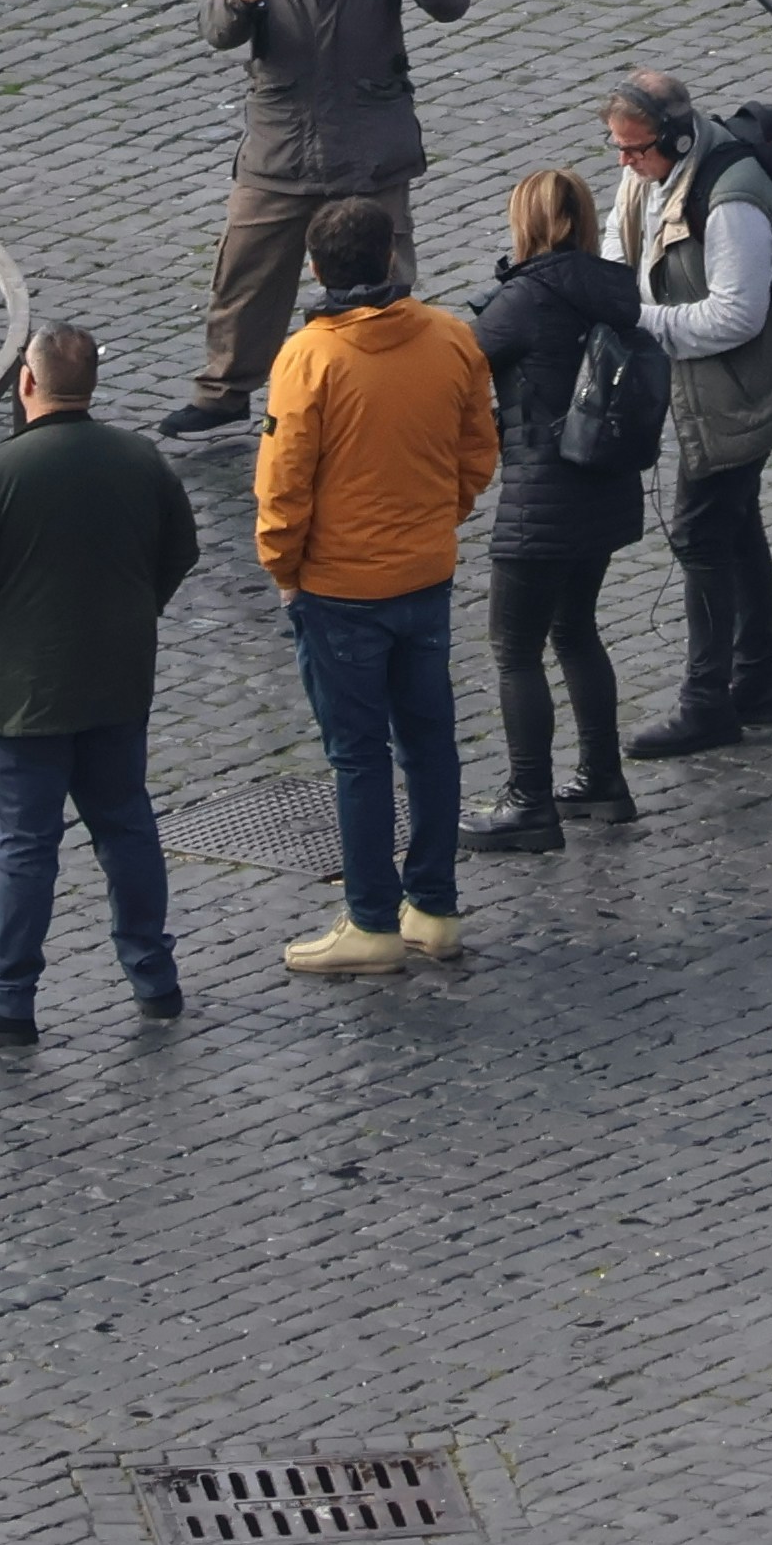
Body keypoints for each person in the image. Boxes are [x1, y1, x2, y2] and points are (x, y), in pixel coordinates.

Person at [0, 327, 197, 1045]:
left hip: (20, 697)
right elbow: (180, 549)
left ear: (27, 383)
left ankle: (11, 1000)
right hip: (116, 683)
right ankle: (154, 978)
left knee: (24, 848)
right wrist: (138, 613)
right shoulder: (140, 460)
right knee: (127, 828)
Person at [167, 0, 476, 447]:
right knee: (245, 271)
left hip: (369, 137)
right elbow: (217, 32)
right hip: (281, 137)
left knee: (383, 276)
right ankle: (223, 394)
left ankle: (382, 390)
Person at [254, 198, 499, 976]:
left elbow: (284, 484)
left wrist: (283, 568)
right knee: (430, 744)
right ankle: (433, 907)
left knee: (358, 757)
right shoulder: (452, 340)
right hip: (424, 575)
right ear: (392, 258)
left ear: (318, 269)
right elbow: (477, 452)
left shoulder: (310, 358)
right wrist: (438, 518)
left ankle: (370, 921)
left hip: (337, 589)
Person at [614, 73, 772, 754]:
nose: (625, 162)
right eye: (617, 148)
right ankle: (758, 683)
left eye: (635, 150)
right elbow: (623, 253)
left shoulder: (733, 200)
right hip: (709, 384)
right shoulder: (648, 176)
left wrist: (639, 323)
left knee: (703, 533)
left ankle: (707, 699)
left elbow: (738, 315)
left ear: (676, 141)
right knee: (734, 527)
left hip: (746, 387)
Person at [460, 170, 655, 854]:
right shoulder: (611, 288)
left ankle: (528, 802)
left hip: (540, 497)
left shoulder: (521, 301)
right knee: (575, 631)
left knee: (515, 649)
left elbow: (459, 362)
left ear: (528, 224)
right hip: (602, 489)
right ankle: (603, 779)